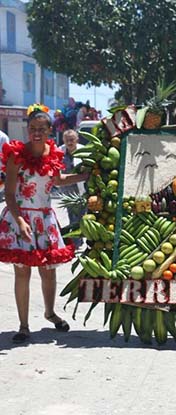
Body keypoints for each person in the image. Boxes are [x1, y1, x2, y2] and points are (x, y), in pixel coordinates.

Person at [0, 105, 89, 343]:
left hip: (45, 218)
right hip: (20, 218)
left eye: (41, 128)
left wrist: (86, 175)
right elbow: (8, 194)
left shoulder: (54, 154)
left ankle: (50, 313)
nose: (36, 133)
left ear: (51, 130)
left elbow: (58, 181)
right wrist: (19, 221)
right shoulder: (15, 154)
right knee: (22, 273)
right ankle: (23, 325)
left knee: (48, 273)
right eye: (32, 129)